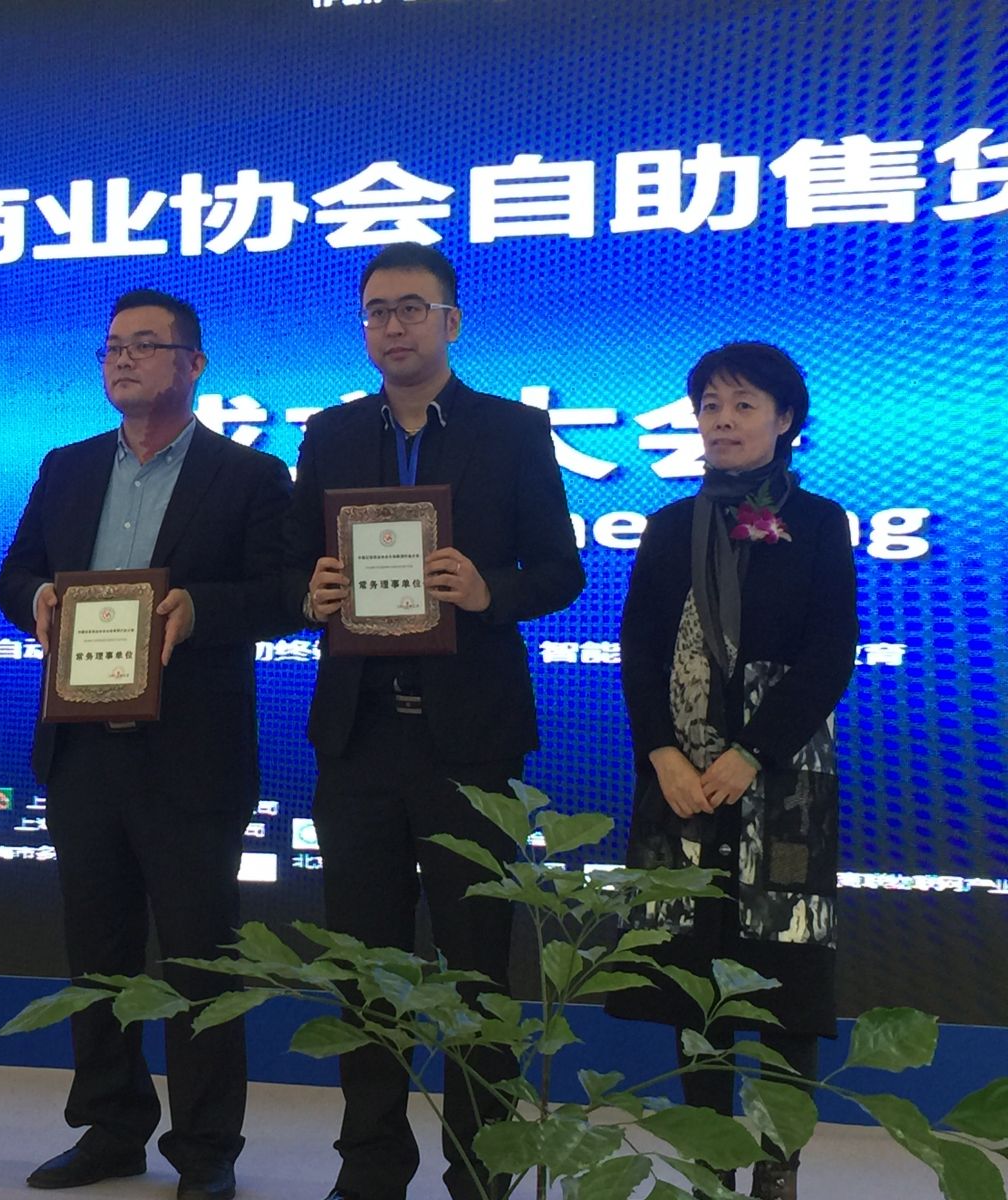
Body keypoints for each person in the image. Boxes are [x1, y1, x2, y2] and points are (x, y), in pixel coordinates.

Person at [286, 243, 585, 1200]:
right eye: (377, 311)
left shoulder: (512, 430)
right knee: (363, 964)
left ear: (451, 321)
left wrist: (489, 591)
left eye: (412, 308)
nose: (393, 326)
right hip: (359, 736)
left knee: (476, 963)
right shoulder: (330, 435)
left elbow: (562, 570)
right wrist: (311, 593)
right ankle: (370, 1164)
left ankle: (480, 1166)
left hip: (471, 739)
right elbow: (293, 569)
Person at [0, 289, 292, 1200]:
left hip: (192, 754)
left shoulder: (250, 475)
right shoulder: (68, 467)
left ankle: (206, 1149)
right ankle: (111, 1129)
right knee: (99, 953)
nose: (122, 359)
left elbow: (287, 594)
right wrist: (36, 598)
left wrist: (200, 608)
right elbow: (14, 573)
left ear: (193, 364)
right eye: (112, 347)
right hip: (83, 749)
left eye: (145, 345)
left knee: (201, 956)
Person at [609, 343, 857, 1200]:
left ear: (785, 419)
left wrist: (752, 753)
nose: (722, 421)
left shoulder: (820, 522)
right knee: (695, 981)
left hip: (781, 780)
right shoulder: (668, 526)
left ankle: (778, 1169)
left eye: (744, 405)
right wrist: (663, 755)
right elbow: (638, 652)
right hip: (681, 774)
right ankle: (709, 1165)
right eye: (710, 406)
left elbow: (831, 655)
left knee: (784, 984)